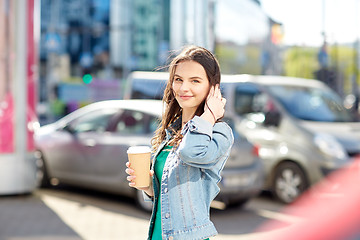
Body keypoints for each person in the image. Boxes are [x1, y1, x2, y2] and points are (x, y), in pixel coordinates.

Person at [125, 45, 234, 240]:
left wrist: (209, 114)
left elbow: (190, 152)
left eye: (195, 81)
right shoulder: (172, 131)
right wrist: (148, 187)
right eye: (178, 79)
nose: (184, 88)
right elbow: (169, 195)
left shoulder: (219, 132)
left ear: (212, 87)